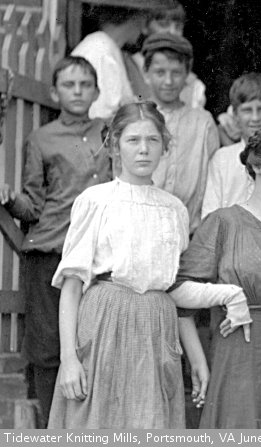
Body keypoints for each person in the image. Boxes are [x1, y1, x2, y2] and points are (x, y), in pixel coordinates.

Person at [46, 101, 189, 428]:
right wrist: (69, 359)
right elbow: (71, 286)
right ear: (114, 145)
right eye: (133, 140)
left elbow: (178, 285)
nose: (143, 149)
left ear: (165, 146)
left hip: (156, 327)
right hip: (105, 320)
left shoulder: (175, 209)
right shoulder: (96, 200)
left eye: (153, 140)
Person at [173, 123, 261, 429]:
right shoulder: (223, 222)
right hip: (238, 353)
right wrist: (198, 363)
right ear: (257, 165)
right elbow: (179, 292)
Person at [0, 56, 111, 428]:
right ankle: (52, 429)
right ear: (54, 93)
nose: (77, 91)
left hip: (101, 257)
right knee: (48, 347)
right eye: (69, 85)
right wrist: (9, 199)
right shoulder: (41, 138)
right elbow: (32, 206)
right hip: (53, 252)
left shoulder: (110, 132)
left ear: (97, 91)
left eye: (85, 84)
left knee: (95, 344)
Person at [141, 32, 220, 233]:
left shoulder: (203, 122)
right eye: (160, 72)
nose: (168, 81)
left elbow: (213, 180)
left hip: (188, 231)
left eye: (176, 73)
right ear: (146, 73)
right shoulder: (135, 117)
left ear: (187, 75)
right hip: (142, 228)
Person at [202, 73, 261, 218]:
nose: (255, 118)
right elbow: (210, 215)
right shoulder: (221, 159)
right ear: (235, 114)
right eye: (247, 110)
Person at [71, 5, 146, 120]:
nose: (144, 28)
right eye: (144, 16)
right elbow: (99, 116)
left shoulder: (108, 48)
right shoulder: (100, 49)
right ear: (135, 17)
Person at [131, 3, 207, 109]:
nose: (172, 32)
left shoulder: (193, 85)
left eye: (178, 27)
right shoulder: (129, 66)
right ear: (145, 26)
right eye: (163, 24)